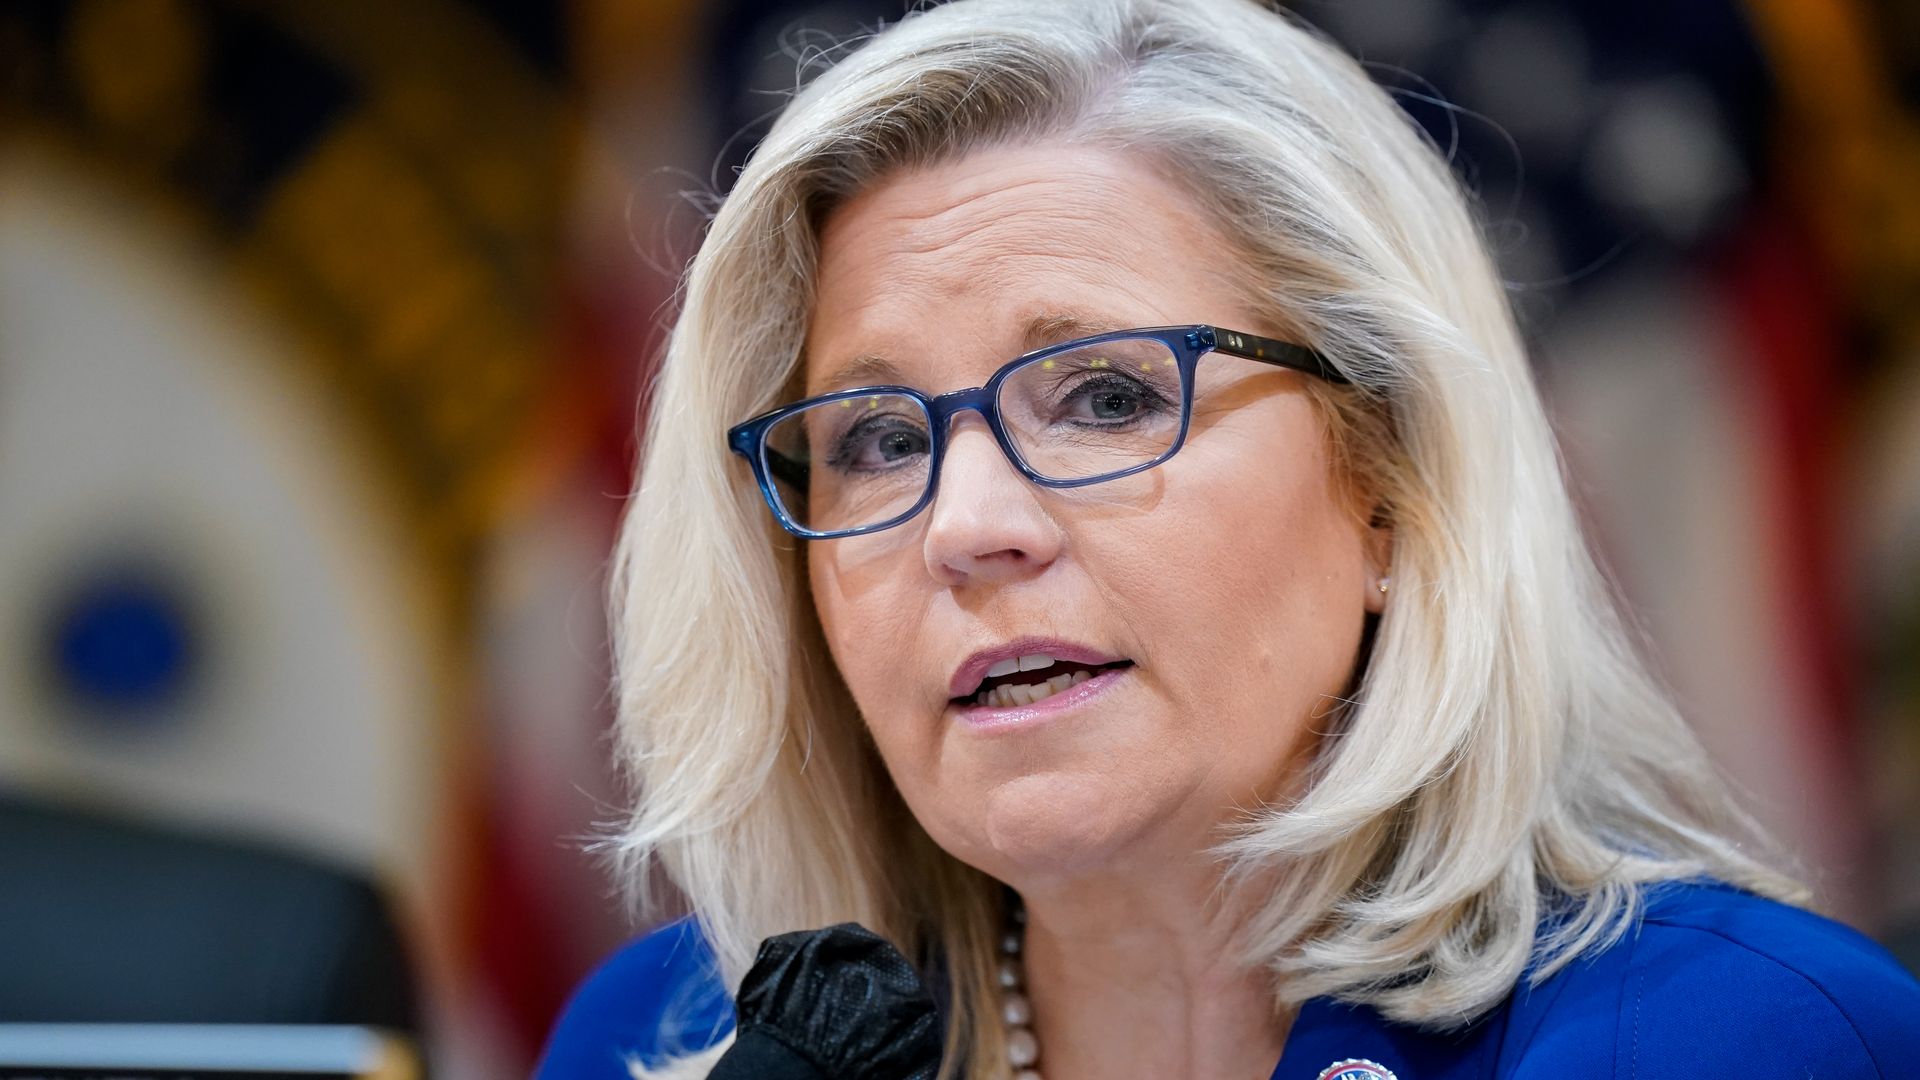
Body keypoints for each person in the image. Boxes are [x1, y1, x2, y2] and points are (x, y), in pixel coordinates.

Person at [538, 0, 1920, 1076]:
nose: (965, 527)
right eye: (879, 440)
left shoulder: (1738, 1043)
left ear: (1391, 482)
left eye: (1107, 398)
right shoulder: (675, 1047)